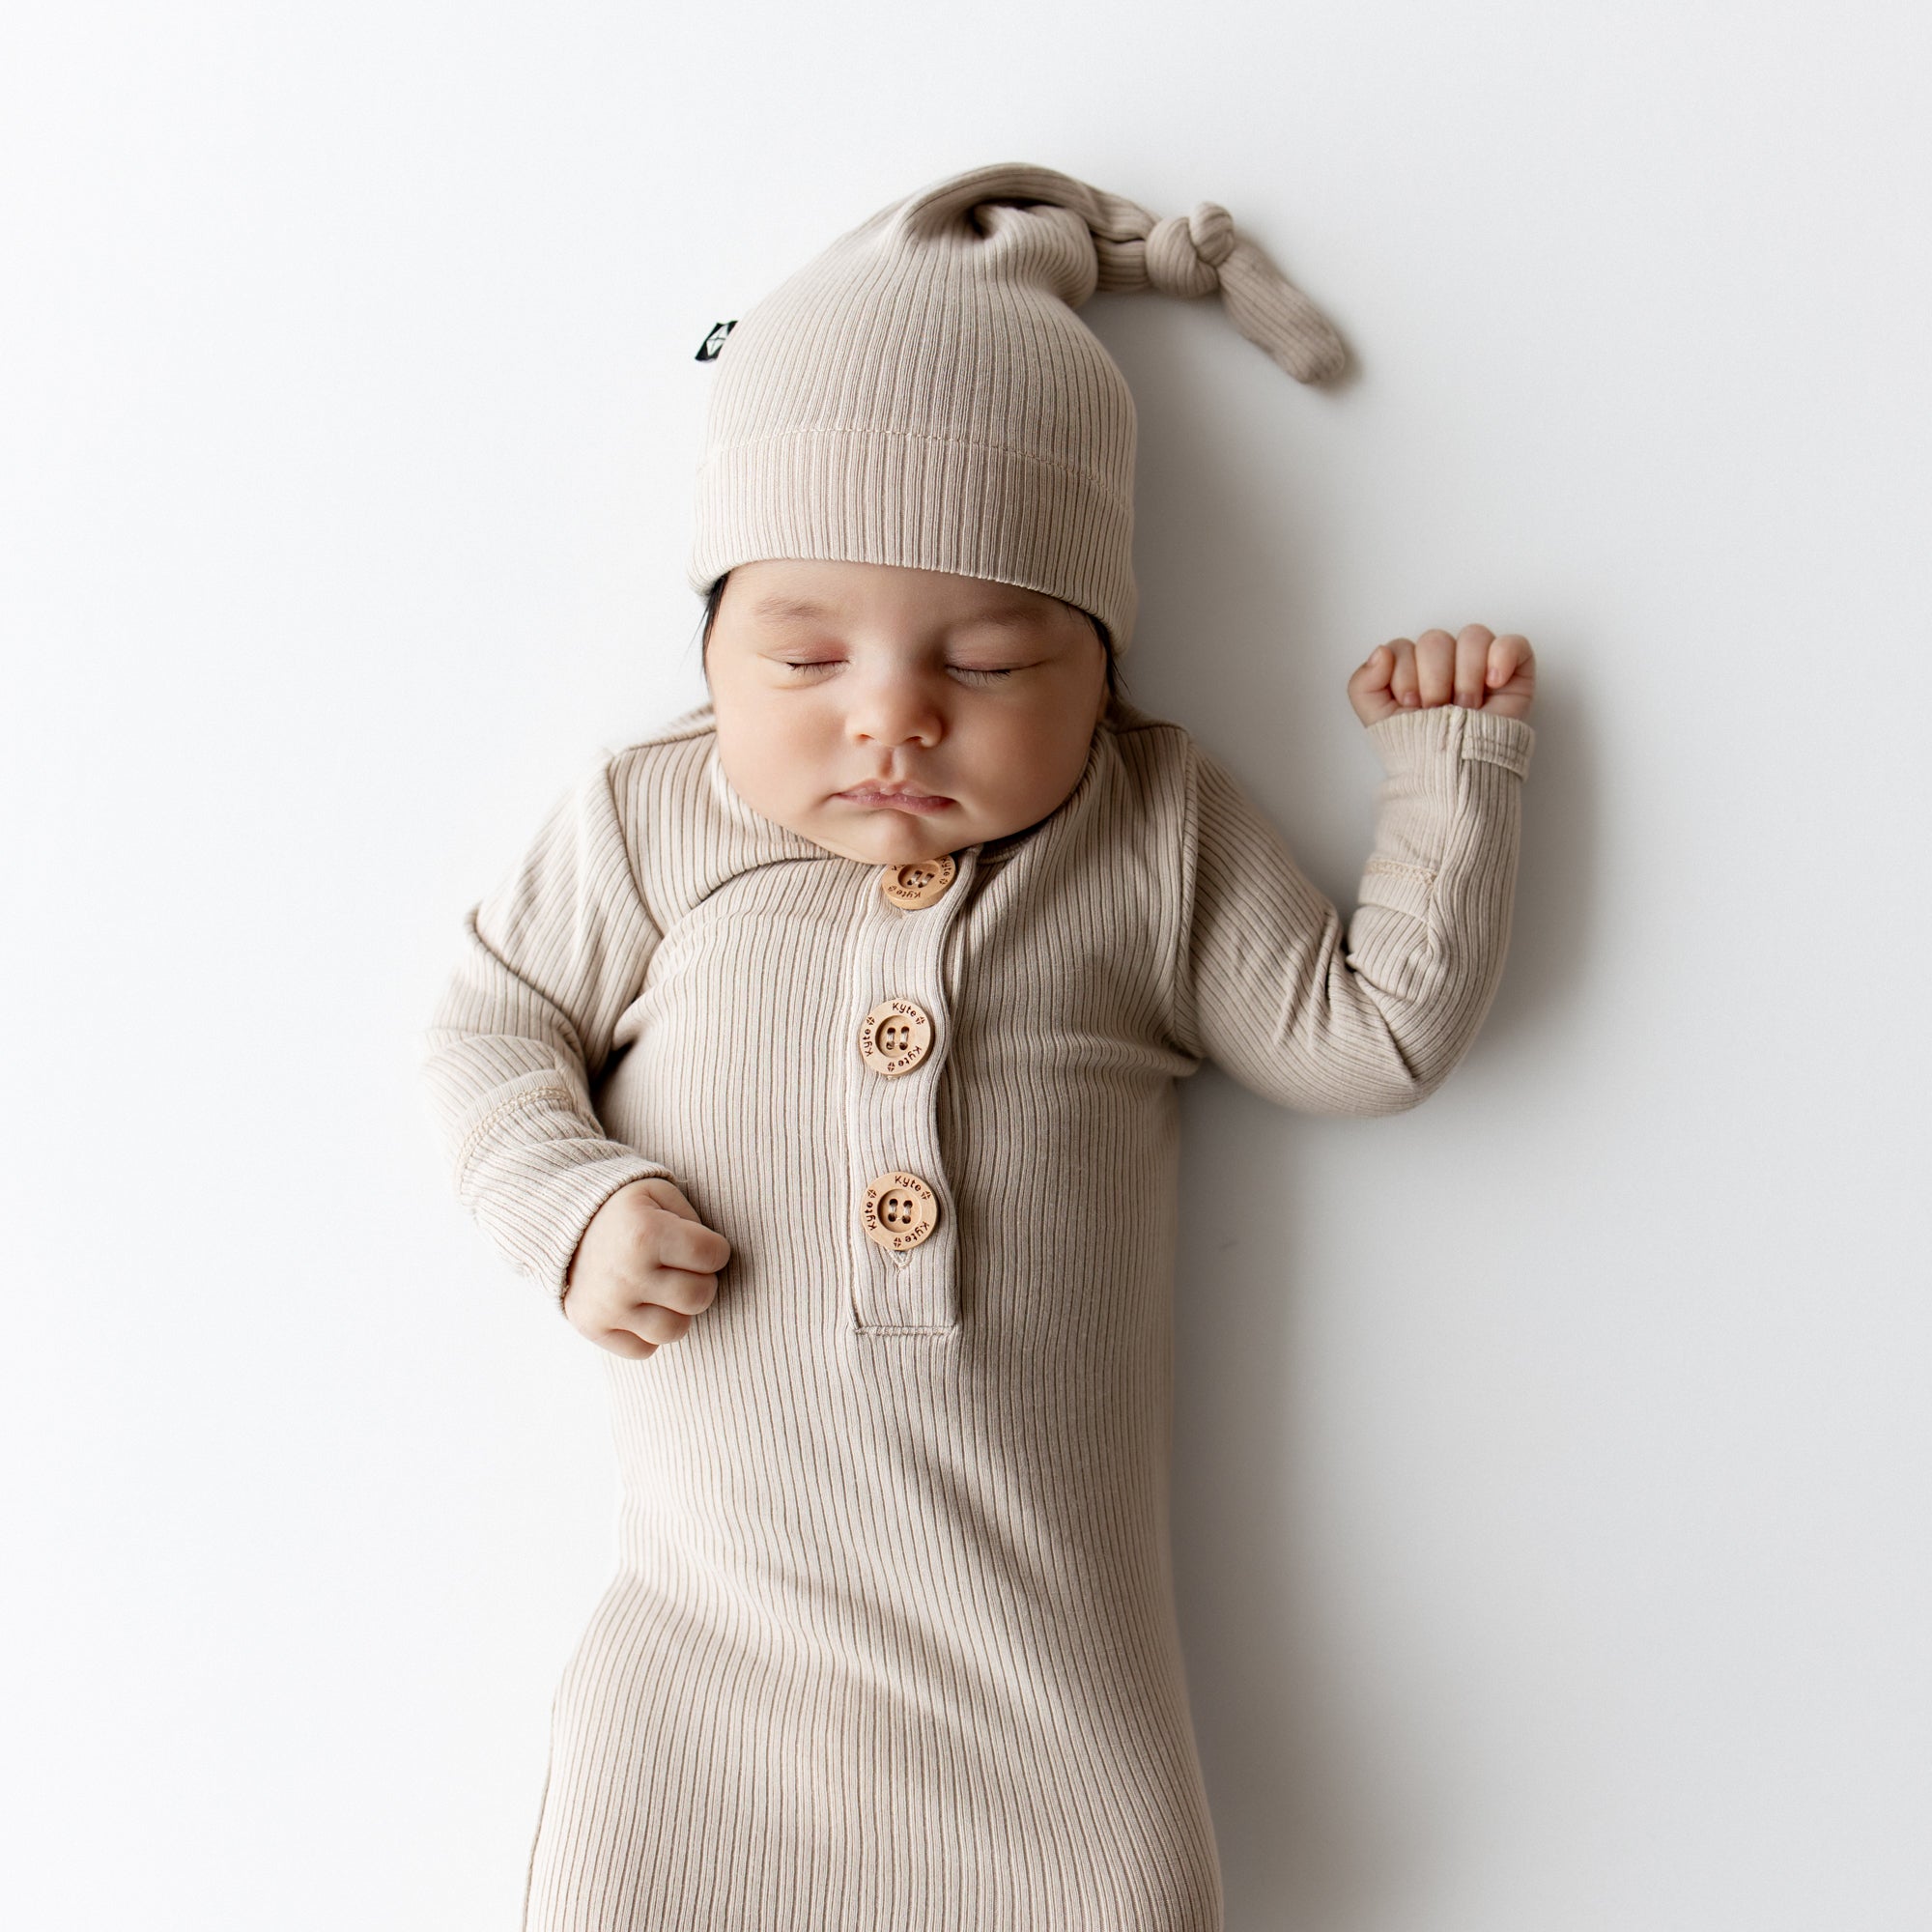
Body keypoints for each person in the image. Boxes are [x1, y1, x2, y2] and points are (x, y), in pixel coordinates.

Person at [419, 160, 1536, 1932]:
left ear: (1104, 667)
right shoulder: (656, 824)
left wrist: (1450, 784)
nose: (892, 715)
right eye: (802, 656)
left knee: (1133, 1892)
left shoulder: (1149, 834)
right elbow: (492, 1017)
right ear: (710, 645)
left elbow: (1363, 1038)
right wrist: (563, 1199)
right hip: (712, 1656)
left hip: (1041, 1678)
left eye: (994, 664)